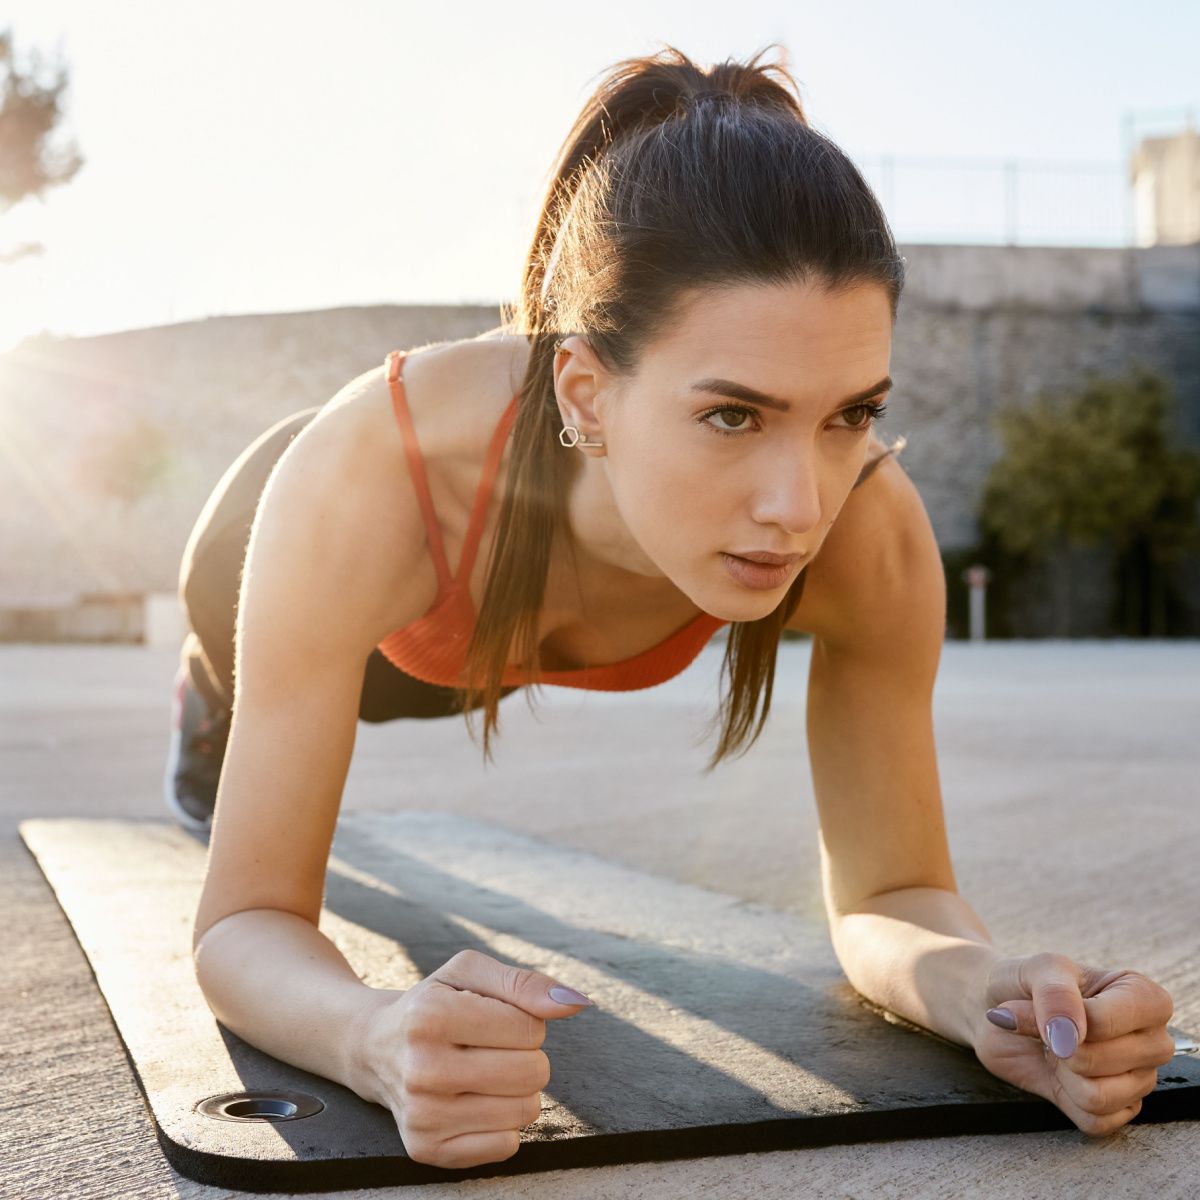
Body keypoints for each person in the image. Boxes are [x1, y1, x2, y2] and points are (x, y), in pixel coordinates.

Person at [171, 45, 1175, 1170]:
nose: (800, 507)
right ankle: (206, 703)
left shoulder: (867, 526)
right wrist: (372, 1038)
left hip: (492, 636)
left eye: (849, 415)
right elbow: (245, 921)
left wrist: (990, 992)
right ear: (587, 392)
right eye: (734, 416)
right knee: (252, 712)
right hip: (300, 582)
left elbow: (894, 889)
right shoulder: (369, 475)